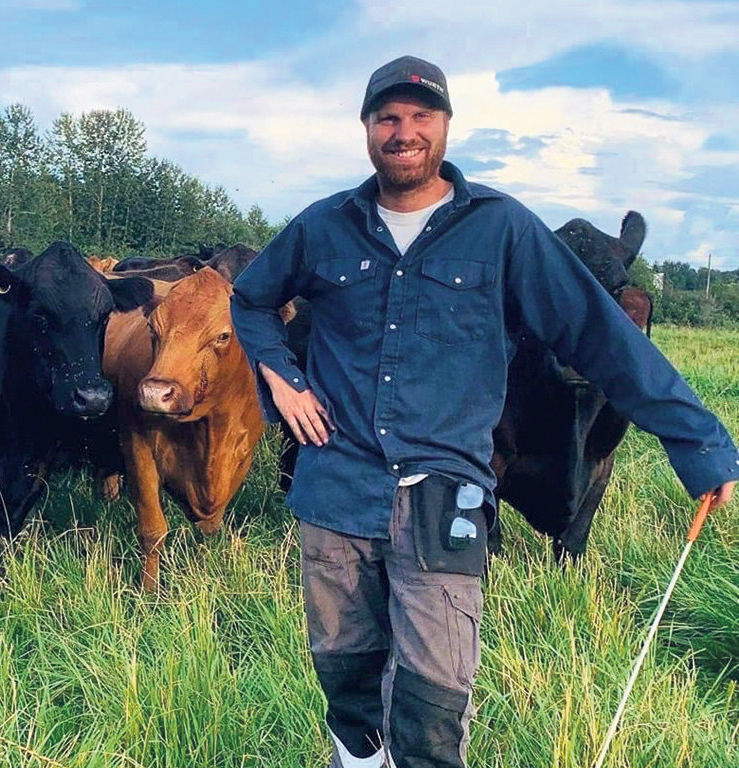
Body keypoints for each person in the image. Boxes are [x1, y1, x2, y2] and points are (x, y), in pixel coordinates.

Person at [229, 55, 738, 768]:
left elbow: (602, 335)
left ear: (444, 127)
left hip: (445, 499)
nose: (404, 132)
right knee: (347, 688)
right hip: (336, 490)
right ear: (368, 130)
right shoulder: (323, 227)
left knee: (434, 709)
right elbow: (249, 300)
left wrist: (700, 442)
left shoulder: (500, 229)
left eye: (420, 117)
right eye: (388, 118)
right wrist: (282, 378)